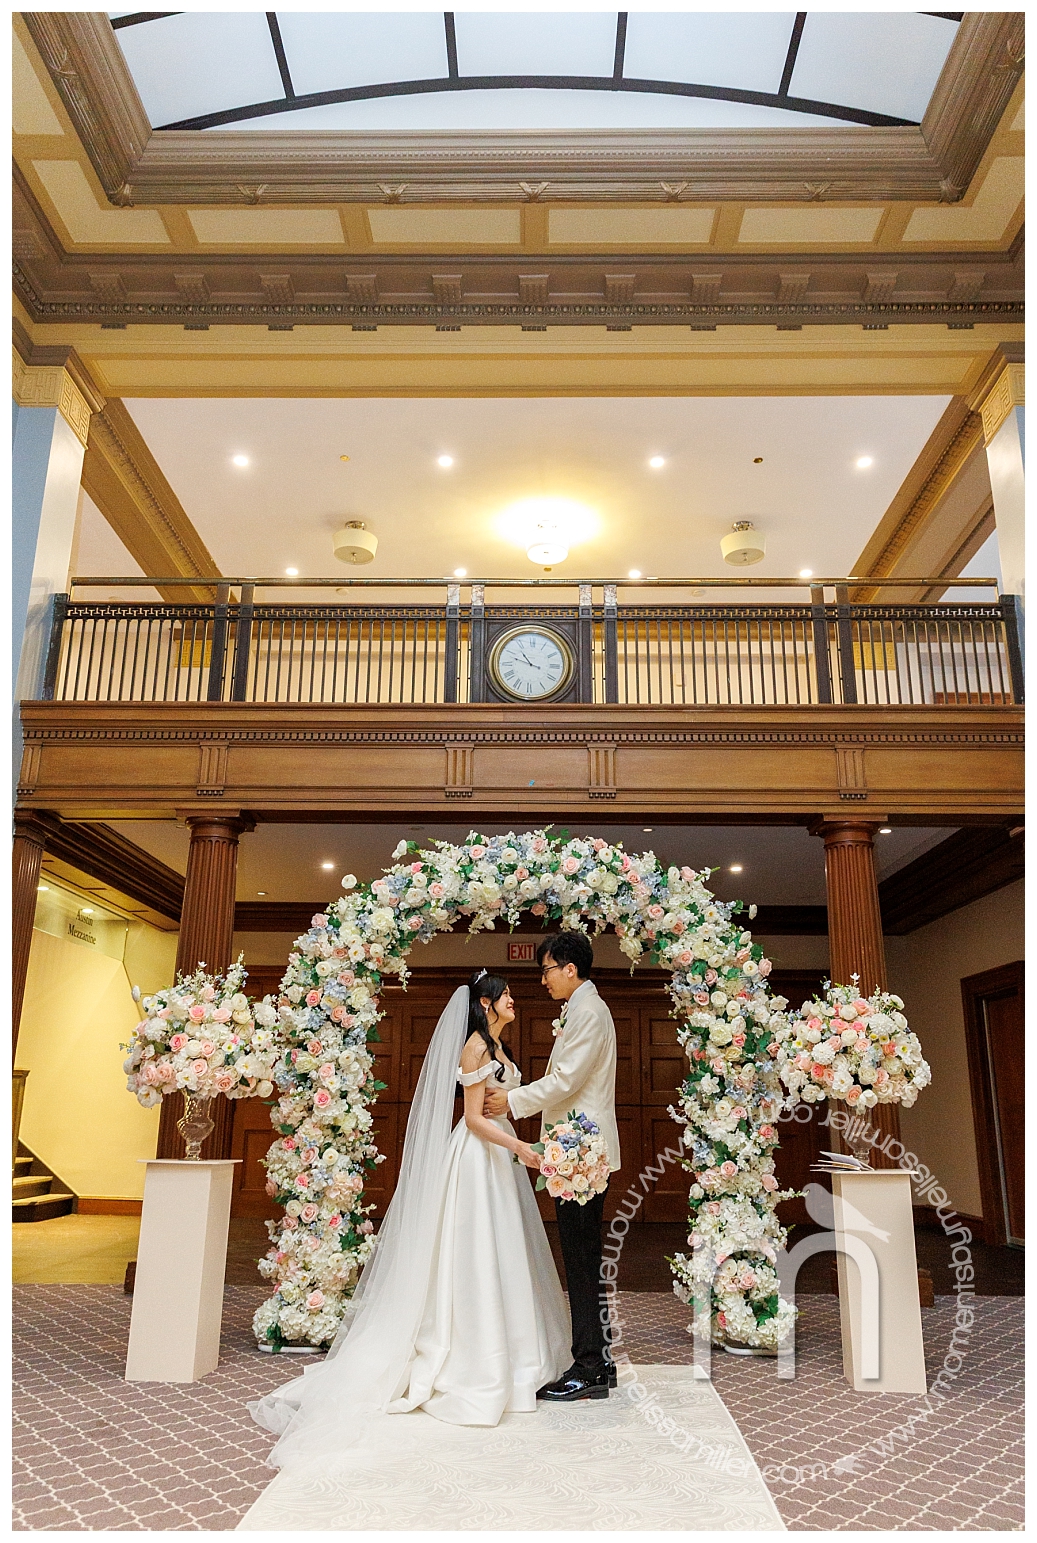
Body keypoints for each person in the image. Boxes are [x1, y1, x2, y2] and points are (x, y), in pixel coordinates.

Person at [248, 970, 569, 1466]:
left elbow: (502, 1104)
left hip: (501, 1159)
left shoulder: (499, 1048)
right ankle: (473, 1359)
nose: (513, 1000)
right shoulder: (475, 1049)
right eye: (505, 994)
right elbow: (474, 1119)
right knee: (476, 1251)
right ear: (486, 1002)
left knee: (506, 1248)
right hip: (479, 1156)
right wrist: (520, 1147)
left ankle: (518, 1355)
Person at [484, 932, 619, 1402]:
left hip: (581, 1150)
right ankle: (598, 1359)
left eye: (546, 971)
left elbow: (567, 1079)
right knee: (584, 1257)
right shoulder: (581, 1008)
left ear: (569, 968)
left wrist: (512, 1101)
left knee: (581, 1259)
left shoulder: (589, 1011)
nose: (542, 981)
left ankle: (590, 1366)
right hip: (577, 1146)